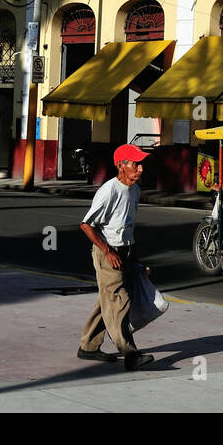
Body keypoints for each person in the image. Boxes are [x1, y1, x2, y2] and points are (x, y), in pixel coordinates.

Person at [77, 144, 156, 370]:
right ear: (121, 167)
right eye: (135, 164)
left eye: (141, 164)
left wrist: (135, 258)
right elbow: (86, 225)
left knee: (107, 301)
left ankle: (88, 346)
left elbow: (127, 226)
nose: (140, 169)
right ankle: (130, 353)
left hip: (125, 251)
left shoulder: (135, 190)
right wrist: (108, 252)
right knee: (120, 302)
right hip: (107, 252)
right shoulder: (109, 191)